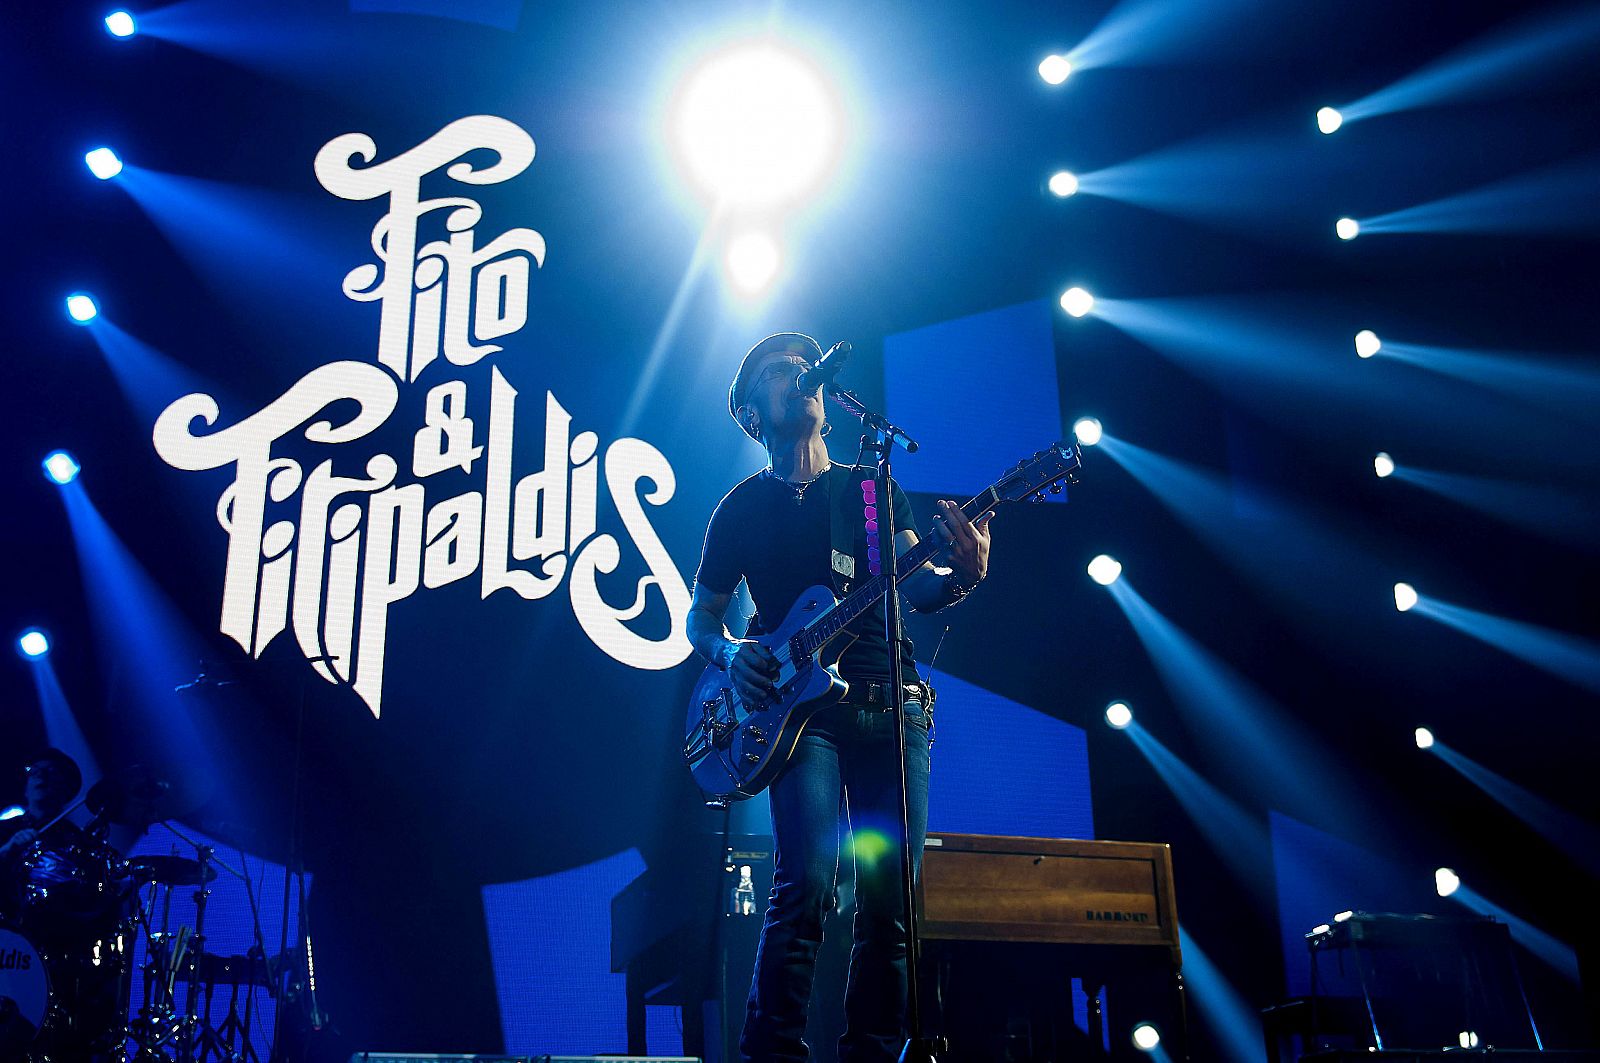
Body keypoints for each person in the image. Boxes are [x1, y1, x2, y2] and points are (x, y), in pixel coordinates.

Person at [688, 333, 993, 1063]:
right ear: (751, 414)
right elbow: (701, 617)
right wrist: (733, 654)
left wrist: (964, 575)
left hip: (892, 702)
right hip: (803, 716)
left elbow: (917, 585)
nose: (801, 376)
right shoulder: (738, 510)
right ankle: (774, 1051)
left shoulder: (870, 486)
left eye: (806, 368)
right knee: (809, 883)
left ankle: (871, 1052)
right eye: (778, 372)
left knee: (890, 901)